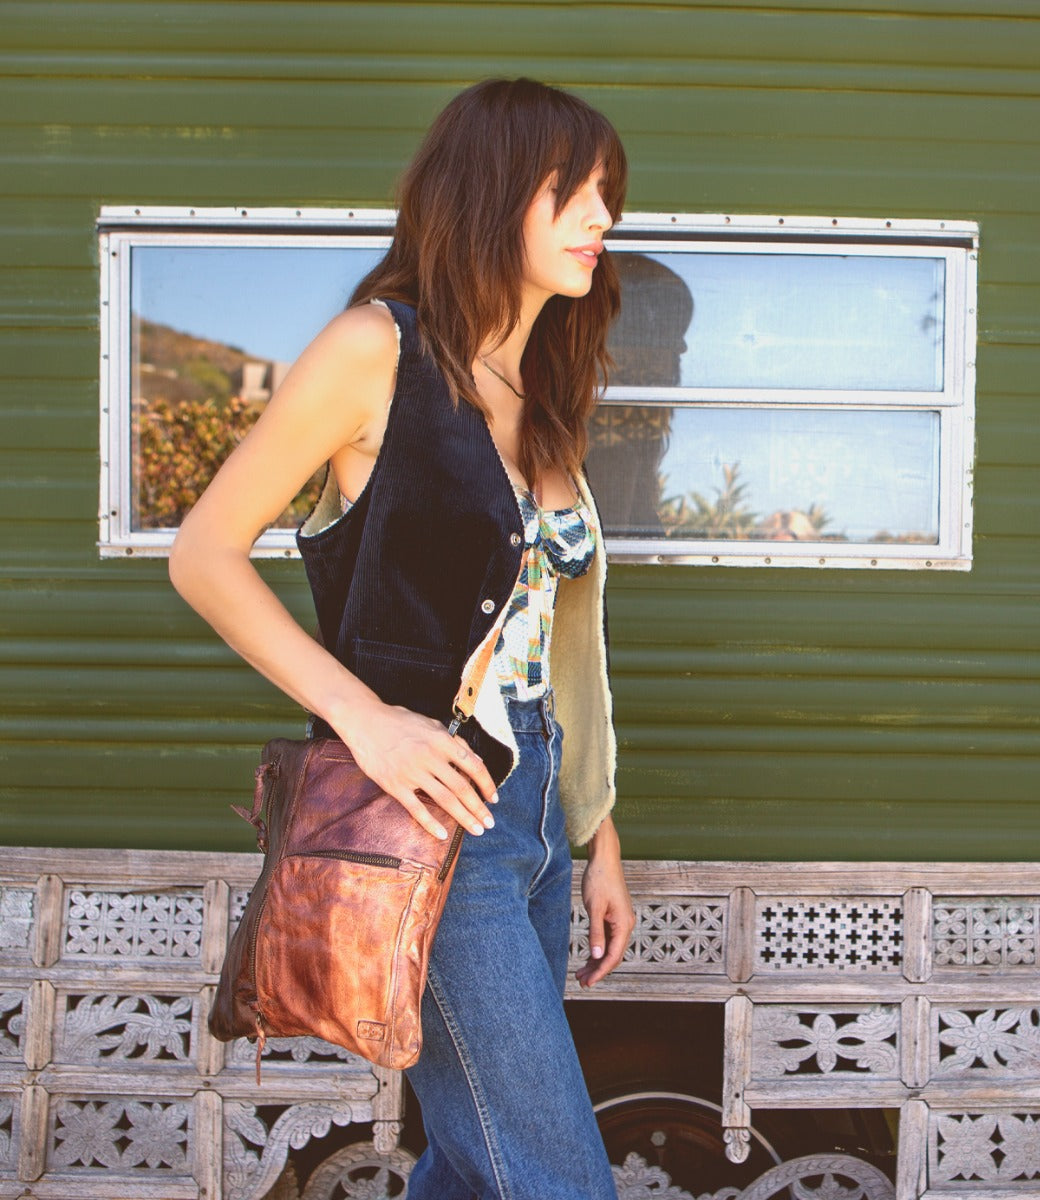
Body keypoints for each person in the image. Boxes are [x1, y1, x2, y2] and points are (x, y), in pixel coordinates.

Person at [170, 76, 634, 1200]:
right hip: (429, 822)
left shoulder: (537, 390)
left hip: (528, 815)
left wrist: (597, 832)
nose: (600, 219)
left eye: (608, 195)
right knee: (554, 1179)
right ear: (484, 194)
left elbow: (560, 649)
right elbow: (204, 554)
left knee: (477, 1163)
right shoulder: (376, 350)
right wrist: (362, 718)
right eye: (569, 190)